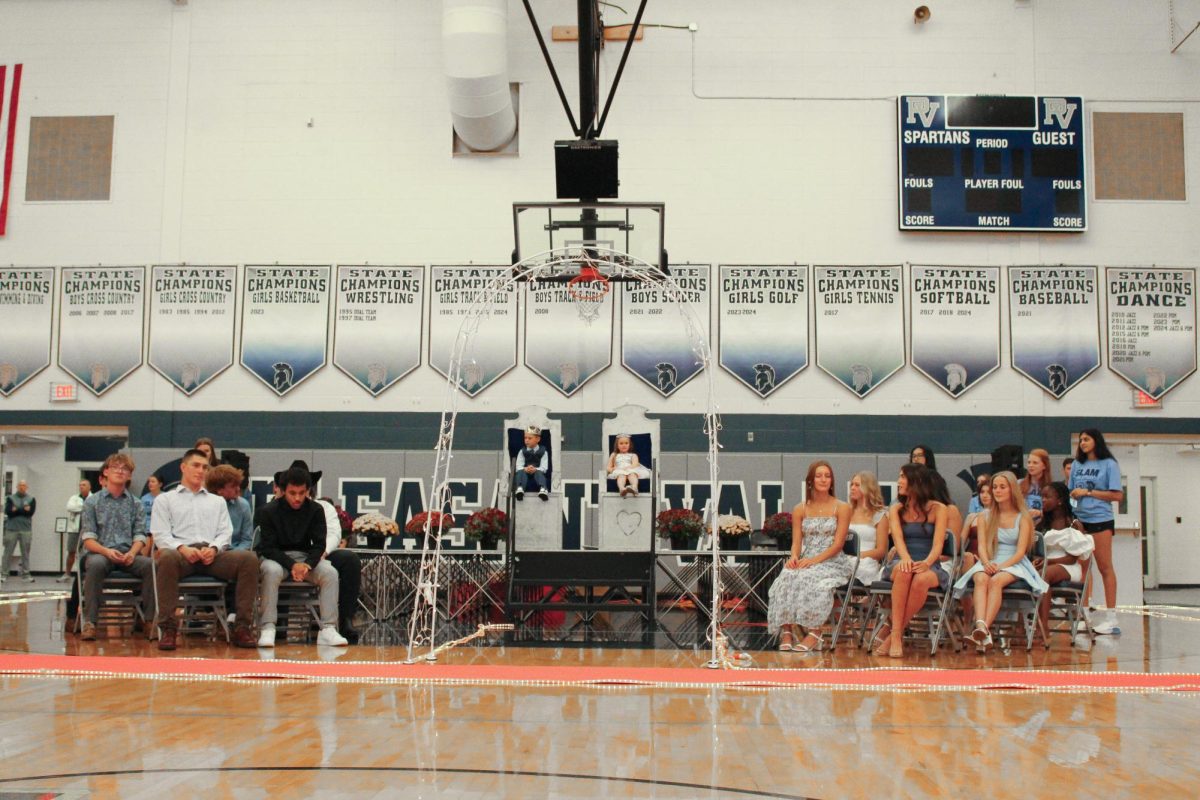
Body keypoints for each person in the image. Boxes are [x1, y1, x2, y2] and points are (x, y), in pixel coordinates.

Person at [151, 448, 259, 650]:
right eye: (196, 465)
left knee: (249, 559)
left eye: (204, 467)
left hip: (212, 556)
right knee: (165, 557)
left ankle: (242, 627)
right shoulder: (165, 500)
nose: (201, 470)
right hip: (180, 556)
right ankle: (168, 628)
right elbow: (161, 535)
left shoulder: (216, 501)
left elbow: (225, 532)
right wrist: (182, 548)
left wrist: (215, 548)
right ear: (183, 467)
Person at [255, 464, 347, 648]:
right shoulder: (268, 511)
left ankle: (328, 628)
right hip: (277, 559)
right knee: (270, 571)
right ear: (282, 491)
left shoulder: (315, 510)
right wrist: (292, 565)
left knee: (330, 572)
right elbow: (268, 548)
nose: (297, 498)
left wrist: (306, 565)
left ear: (308, 491)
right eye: (292, 493)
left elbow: (319, 545)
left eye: (302, 492)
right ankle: (268, 627)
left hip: (306, 559)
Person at [954, 471, 1048, 652]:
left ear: (1012, 489)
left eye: (1002, 487)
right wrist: (986, 562)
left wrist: (1001, 567)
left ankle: (982, 628)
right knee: (980, 578)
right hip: (990, 559)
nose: (997, 491)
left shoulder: (1023, 517)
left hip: (1014, 562)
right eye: (994, 487)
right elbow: (981, 545)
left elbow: (1021, 552)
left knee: (996, 581)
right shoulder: (984, 515)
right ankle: (982, 630)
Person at [766, 461, 853, 653]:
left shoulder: (842, 507)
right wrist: (794, 557)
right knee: (786, 577)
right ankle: (787, 631)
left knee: (810, 578)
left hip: (832, 561)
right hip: (807, 558)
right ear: (810, 481)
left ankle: (815, 633)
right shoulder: (800, 508)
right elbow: (796, 542)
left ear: (832, 481)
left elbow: (838, 544)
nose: (823, 479)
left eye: (827, 476)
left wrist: (814, 561)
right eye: (819, 476)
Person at [873, 464, 949, 659]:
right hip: (902, 558)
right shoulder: (896, 509)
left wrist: (926, 563)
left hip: (929, 561)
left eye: (902, 477)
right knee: (906, 571)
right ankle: (897, 636)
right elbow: (897, 540)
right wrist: (906, 559)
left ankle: (893, 634)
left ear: (917, 481)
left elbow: (938, 544)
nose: (898, 481)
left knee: (921, 579)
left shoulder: (939, 509)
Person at [78, 453, 155, 640]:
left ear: (129, 476)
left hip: (128, 554)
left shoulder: (136, 504)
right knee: (95, 565)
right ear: (106, 472)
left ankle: (150, 621)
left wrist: (132, 552)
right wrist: (106, 551)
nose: (121, 471)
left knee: (151, 565)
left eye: (125, 469)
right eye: (116, 467)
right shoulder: (92, 502)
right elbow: (88, 539)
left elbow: (140, 535)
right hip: (100, 553)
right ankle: (90, 622)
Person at [1068, 428, 1124, 635]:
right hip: (1081, 520)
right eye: (1080, 439)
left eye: (1086, 439)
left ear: (1096, 441)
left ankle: (1111, 618)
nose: (1082, 443)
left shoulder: (1109, 464)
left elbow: (1117, 496)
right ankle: (1085, 615)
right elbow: (1071, 493)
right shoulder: (1076, 464)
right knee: (1083, 569)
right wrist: (1074, 512)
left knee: (1104, 566)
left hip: (1101, 520)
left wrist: (1089, 492)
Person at [1036, 481, 1093, 636]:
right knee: (1029, 572)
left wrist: (1049, 562)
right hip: (1046, 564)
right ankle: (1023, 626)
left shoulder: (1073, 524)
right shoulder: (1042, 524)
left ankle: (1043, 627)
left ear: (1060, 500)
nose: (1043, 500)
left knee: (1044, 574)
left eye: (1047, 497)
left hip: (1068, 566)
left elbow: (1072, 559)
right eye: (1042, 497)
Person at [848, 471, 889, 586]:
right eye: (852, 484)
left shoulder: (880, 515)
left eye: (857, 485)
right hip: (846, 558)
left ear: (868, 488)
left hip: (866, 561)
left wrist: (858, 555)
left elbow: (881, 551)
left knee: (849, 568)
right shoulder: (847, 512)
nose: (852, 488)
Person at [206, 465, 253, 550]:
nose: (238, 489)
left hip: (233, 552)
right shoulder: (204, 505)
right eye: (233, 486)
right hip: (207, 550)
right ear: (219, 489)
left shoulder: (243, 505)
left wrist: (234, 555)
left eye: (238, 485)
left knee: (250, 558)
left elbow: (247, 540)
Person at [3, 480, 36, 583]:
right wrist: (23, 510)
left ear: (27, 487)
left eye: (24, 486)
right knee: (8, 552)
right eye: (20, 485)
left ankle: (26, 574)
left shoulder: (31, 499)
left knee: (25, 553)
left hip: (26, 529)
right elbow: (8, 512)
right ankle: (3, 574)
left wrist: (16, 509)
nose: (22, 487)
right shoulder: (10, 498)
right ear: (17, 487)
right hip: (11, 529)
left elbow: (30, 513)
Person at [60, 478, 92, 581]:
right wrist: (83, 507)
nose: (81, 487)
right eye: (80, 485)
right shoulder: (74, 498)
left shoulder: (93, 498)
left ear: (89, 487)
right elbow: (70, 507)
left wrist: (80, 508)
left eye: (84, 485)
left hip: (87, 530)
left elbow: (91, 509)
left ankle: (84, 574)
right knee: (71, 551)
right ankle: (67, 574)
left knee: (86, 552)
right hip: (74, 529)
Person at [607, 433, 651, 498]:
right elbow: (608, 467)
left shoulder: (633, 455)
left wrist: (628, 468)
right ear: (617, 445)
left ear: (630, 445)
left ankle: (634, 487)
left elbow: (635, 464)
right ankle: (622, 489)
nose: (624, 445)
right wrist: (612, 469)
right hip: (619, 470)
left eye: (626, 443)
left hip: (630, 469)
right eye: (621, 443)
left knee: (633, 474)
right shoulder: (614, 455)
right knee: (621, 475)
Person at [514, 425, 550, 501]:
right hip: (525, 471)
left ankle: (543, 488)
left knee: (539, 473)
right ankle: (520, 488)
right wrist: (525, 468)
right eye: (525, 438)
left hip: (536, 470)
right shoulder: (522, 451)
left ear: (538, 439)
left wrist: (535, 469)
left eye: (530, 438)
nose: (526, 440)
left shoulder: (543, 451)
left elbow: (544, 467)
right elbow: (518, 466)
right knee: (520, 472)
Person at [1020, 448, 1052, 522]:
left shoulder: (1051, 487)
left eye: (1035, 463)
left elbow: (1054, 512)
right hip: (1022, 524)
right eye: (1029, 462)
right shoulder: (1019, 484)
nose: (1031, 465)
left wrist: (1040, 513)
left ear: (1044, 466)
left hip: (1042, 526)